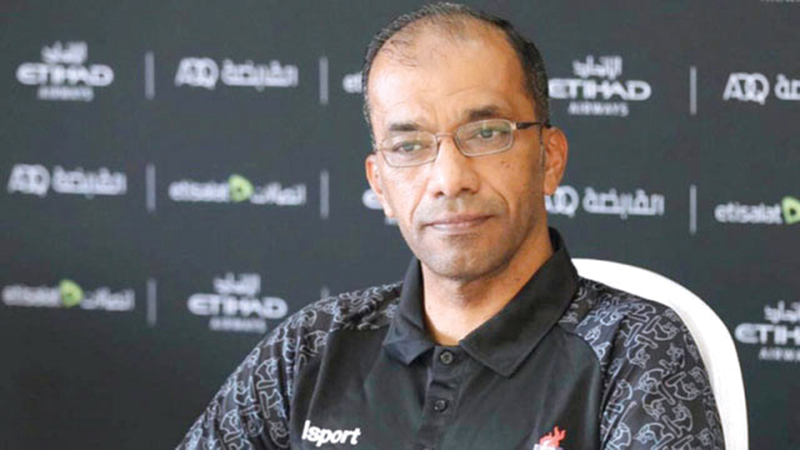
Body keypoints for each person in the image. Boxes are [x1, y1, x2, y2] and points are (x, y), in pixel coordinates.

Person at [177, 3, 724, 449]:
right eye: (409, 145)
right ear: (379, 184)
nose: (449, 179)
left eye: (486, 134)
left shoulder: (633, 348)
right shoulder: (311, 348)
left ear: (550, 159)